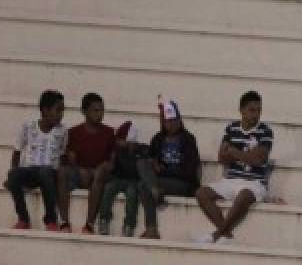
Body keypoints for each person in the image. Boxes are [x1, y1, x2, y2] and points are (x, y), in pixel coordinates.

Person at [195, 90, 273, 244]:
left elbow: (259, 160)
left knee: (244, 195)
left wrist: (233, 151)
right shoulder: (231, 128)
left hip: (254, 183)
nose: (256, 114)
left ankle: (216, 235)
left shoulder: (265, 131)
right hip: (231, 180)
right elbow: (222, 158)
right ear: (241, 110)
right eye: (252, 110)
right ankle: (227, 234)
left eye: (259, 110)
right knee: (201, 193)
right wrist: (246, 155)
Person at [6, 89, 66, 231]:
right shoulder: (27, 127)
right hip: (30, 170)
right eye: (58, 110)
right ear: (45, 110)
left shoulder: (63, 130)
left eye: (63, 111)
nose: (61, 115)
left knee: (45, 172)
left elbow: (62, 154)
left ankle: (51, 220)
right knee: (13, 175)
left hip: (49, 172)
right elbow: (17, 152)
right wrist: (13, 173)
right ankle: (23, 219)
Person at [139, 99, 200, 240]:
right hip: (160, 181)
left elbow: (189, 172)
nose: (171, 124)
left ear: (179, 120)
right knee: (142, 163)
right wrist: (152, 163)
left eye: (174, 120)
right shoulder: (158, 139)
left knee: (143, 186)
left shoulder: (188, 140)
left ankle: (151, 228)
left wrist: (162, 170)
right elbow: (150, 160)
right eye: (167, 121)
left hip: (183, 183)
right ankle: (155, 190)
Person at [58, 92, 116, 234]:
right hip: (80, 174)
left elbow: (112, 162)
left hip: (99, 176)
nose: (100, 114)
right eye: (95, 110)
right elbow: (67, 160)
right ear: (84, 111)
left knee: (100, 173)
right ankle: (64, 222)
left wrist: (103, 167)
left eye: (102, 110)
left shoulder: (109, 132)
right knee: (62, 172)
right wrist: (78, 168)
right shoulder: (73, 132)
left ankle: (89, 224)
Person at [96, 121, 145, 236]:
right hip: (118, 179)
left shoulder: (141, 151)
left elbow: (139, 169)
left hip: (133, 181)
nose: (118, 141)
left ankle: (129, 225)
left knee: (132, 194)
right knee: (108, 188)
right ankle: (103, 219)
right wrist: (112, 161)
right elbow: (111, 168)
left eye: (121, 139)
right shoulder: (116, 151)